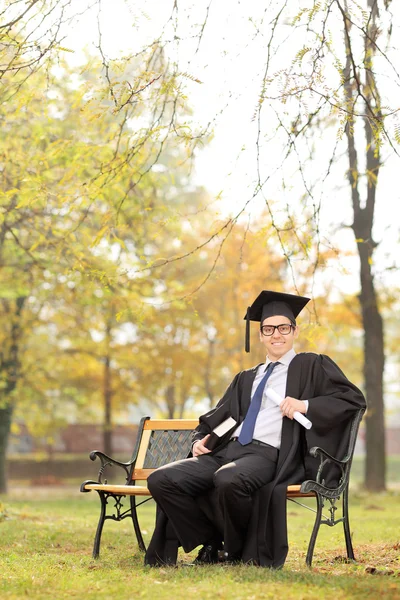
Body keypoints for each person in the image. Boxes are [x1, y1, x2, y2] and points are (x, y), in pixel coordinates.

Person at [145, 291, 366, 568]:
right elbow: (219, 418)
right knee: (161, 479)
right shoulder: (246, 378)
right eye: (269, 329)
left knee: (228, 479)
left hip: (266, 455)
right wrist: (201, 439)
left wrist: (305, 405)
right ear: (261, 335)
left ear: (294, 331)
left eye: (283, 328)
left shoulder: (311, 365)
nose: (277, 335)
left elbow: (352, 400)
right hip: (226, 451)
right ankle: (211, 540)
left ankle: (234, 553)